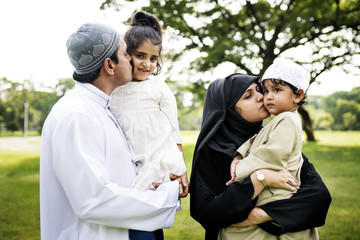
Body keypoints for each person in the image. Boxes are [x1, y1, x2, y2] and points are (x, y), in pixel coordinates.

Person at [40, 22, 181, 240]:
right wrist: (167, 195)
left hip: (130, 225)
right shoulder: (75, 114)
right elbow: (93, 200)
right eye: (127, 54)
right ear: (109, 65)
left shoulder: (102, 107)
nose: (132, 60)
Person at [189, 73, 331, 240]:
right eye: (248, 95)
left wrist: (263, 214)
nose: (262, 97)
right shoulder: (213, 152)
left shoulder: (273, 138)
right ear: (228, 108)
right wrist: (261, 179)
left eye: (259, 90)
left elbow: (318, 196)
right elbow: (208, 213)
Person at [219, 60, 319, 239]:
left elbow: (270, 158)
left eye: (277, 90)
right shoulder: (280, 120)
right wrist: (239, 156)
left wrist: (239, 171)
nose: (268, 96)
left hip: (277, 197)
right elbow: (255, 140)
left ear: (297, 95)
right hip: (269, 194)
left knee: (235, 232)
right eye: (265, 91)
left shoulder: (288, 120)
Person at [110, 11, 188, 194]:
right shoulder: (116, 90)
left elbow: (175, 134)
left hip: (158, 167)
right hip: (126, 166)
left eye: (153, 59)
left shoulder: (160, 89)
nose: (147, 64)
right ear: (126, 54)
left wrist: (182, 170)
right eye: (140, 56)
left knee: (151, 218)